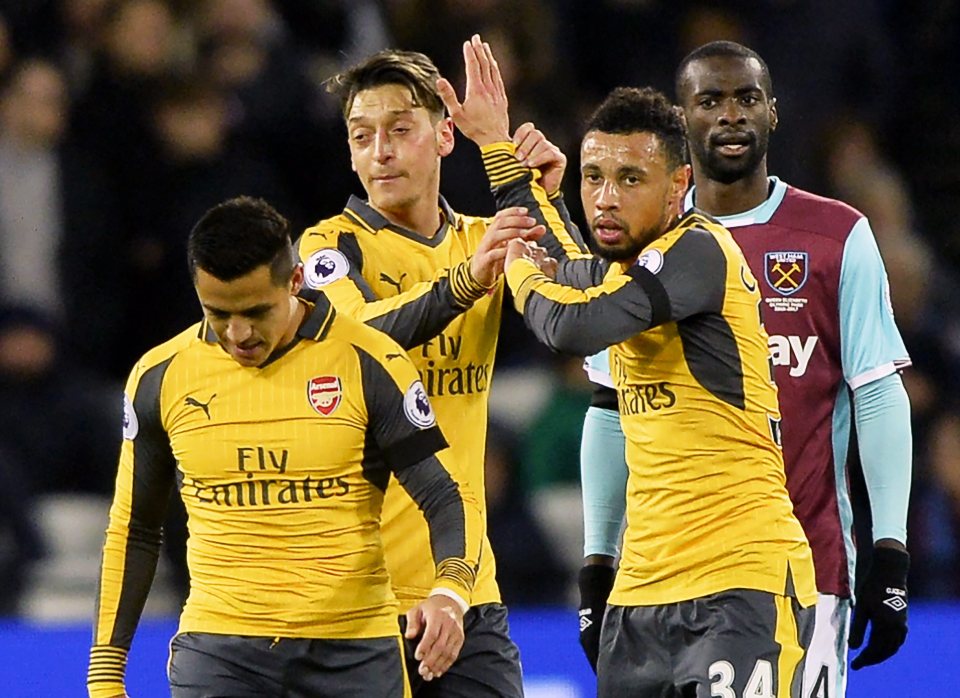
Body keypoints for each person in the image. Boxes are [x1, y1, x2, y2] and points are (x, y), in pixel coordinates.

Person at [577, 41, 914, 698]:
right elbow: (610, 408)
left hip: (800, 570)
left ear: (773, 114)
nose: (731, 116)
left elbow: (876, 395)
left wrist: (893, 554)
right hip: (658, 582)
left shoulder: (835, 236)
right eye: (710, 101)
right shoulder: (641, 242)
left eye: (746, 98)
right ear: (682, 120)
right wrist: (597, 564)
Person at [87, 196, 482, 698]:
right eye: (218, 313)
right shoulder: (160, 377)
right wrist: (105, 673)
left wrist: (450, 591)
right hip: (220, 651)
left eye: (256, 312)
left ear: (296, 282)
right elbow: (134, 527)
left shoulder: (367, 360)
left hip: (354, 652)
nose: (239, 334)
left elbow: (447, 495)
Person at [297, 36, 586, 697]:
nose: (380, 152)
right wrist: (465, 282)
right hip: (357, 606)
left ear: (444, 136)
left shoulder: (478, 239)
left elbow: (578, 312)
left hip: (464, 597)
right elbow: (356, 343)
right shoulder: (328, 246)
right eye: (362, 135)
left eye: (399, 130)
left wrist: (536, 191)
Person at [505, 86, 817, 697]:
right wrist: (508, 162)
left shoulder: (699, 252)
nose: (604, 198)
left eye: (629, 179)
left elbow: (573, 322)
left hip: (738, 583)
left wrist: (516, 271)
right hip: (642, 593)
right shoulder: (631, 268)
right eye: (592, 177)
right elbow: (569, 265)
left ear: (678, 186)